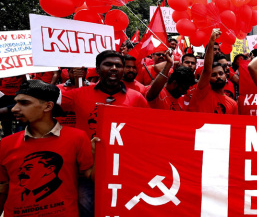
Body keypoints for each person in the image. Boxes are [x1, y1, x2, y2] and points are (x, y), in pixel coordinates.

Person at [60, 50, 148, 217]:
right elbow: (45, 99)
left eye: (118, 65)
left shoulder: (137, 98)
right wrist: (72, 78)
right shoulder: (78, 95)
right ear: (98, 69)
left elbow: (148, 131)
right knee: (87, 208)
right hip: (87, 169)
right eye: (108, 64)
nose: (114, 68)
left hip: (124, 170)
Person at [0, 80, 95, 216]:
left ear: (48, 106)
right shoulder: (6, 144)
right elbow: (3, 188)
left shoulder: (77, 138)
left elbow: (89, 177)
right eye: (16, 102)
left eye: (24, 103)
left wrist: (100, 154)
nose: (15, 108)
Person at [187, 29, 238, 114]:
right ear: (208, 78)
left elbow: (233, 126)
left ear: (226, 75)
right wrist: (211, 41)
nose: (218, 76)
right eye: (213, 75)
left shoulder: (233, 104)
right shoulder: (202, 92)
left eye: (221, 73)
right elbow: (207, 69)